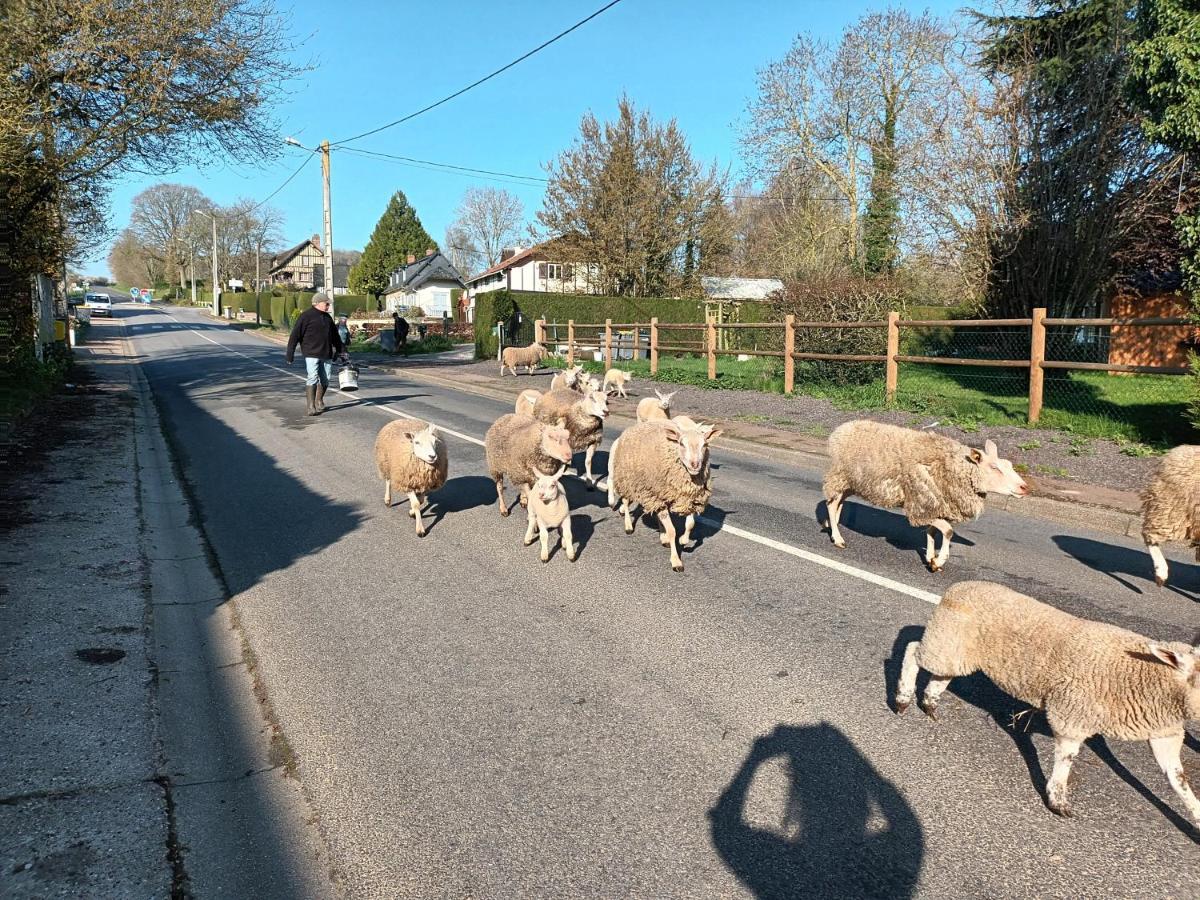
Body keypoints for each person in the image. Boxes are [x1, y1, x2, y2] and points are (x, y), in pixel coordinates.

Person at [286, 293, 343, 416]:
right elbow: (295, 335)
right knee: (312, 377)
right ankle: (311, 406)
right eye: (326, 304)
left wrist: (340, 350)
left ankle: (319, 399)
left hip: (326, 353)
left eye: (328, 304)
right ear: (317, 303)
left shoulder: (328, 318)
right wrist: (290, 354)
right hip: (311, 352)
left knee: (326, 380)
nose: (328, 306)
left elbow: (335, 336)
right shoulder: (305, 317)